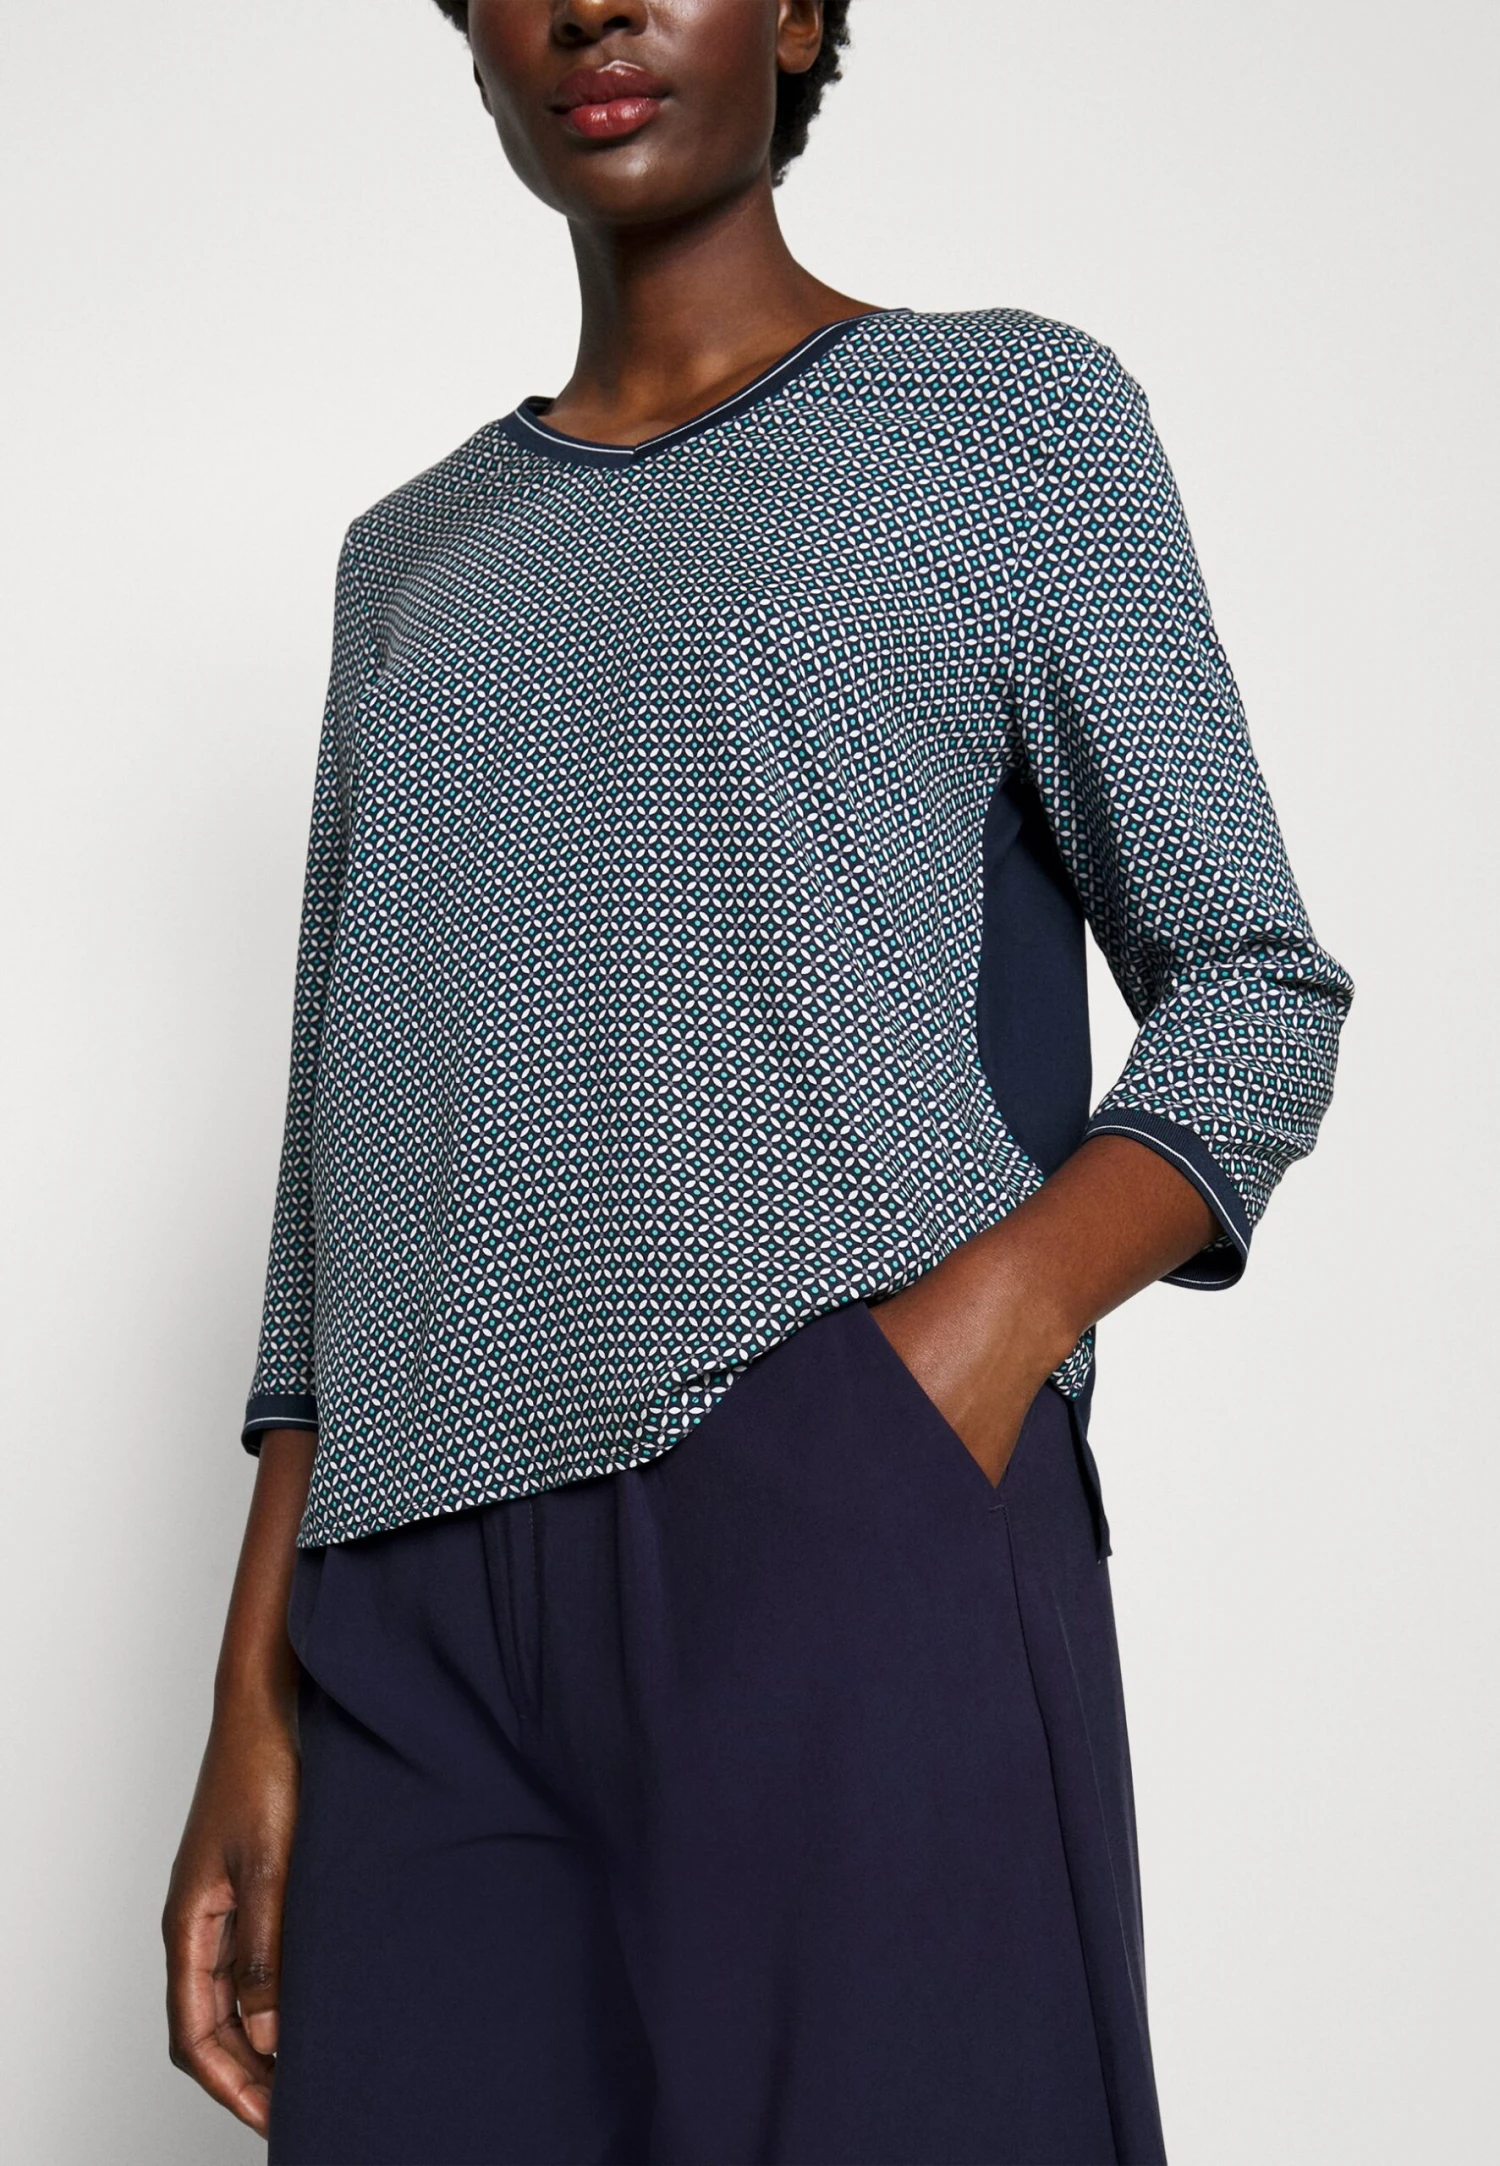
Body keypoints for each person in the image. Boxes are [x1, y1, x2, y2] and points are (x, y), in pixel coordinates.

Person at [162, 3, 1353, 2161]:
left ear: (801, 11)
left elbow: (1255, 986)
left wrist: (956, 1361)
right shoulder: (403, 559)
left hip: (829, 1501)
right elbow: (335, 1166)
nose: (592, 10)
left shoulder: (1002, 422)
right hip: (410, 1620)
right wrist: (254, 1693)